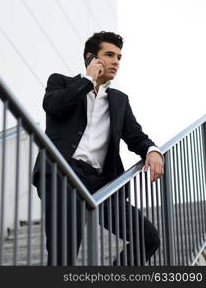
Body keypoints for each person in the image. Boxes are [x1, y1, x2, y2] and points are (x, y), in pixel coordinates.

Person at [32, 31, 164, 266]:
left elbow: (135, 137)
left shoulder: (119, 100)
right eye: (110, 55)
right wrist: (87, 81)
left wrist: (152, 150)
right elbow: (52, 106)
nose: (116, 61)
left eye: (119, 57)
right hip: (63, 174)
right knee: (64, 253)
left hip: (103, 183)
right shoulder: (61, 82)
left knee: (148, 238)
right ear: (91, 57)